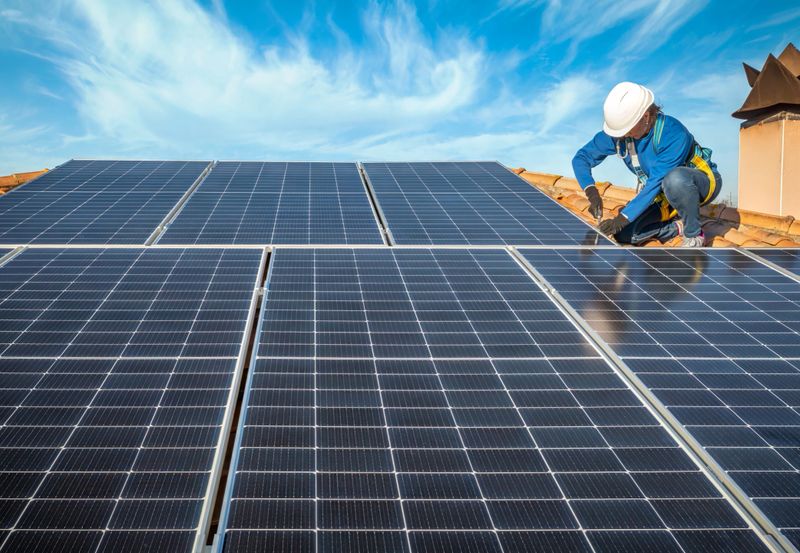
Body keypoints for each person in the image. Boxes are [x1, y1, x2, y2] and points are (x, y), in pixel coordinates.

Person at [573, 82, 721, 246]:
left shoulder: (672, 133)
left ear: (645, 116)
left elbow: (655, 182)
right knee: (625, 234)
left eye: (627, 129)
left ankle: (693, 233)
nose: (623, 135)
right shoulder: (620, 134)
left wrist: (622, 218)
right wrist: (591, 192)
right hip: (663, 193)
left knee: (675, 179)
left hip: (698, 184)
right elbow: (581, 158)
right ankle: (676, 227)